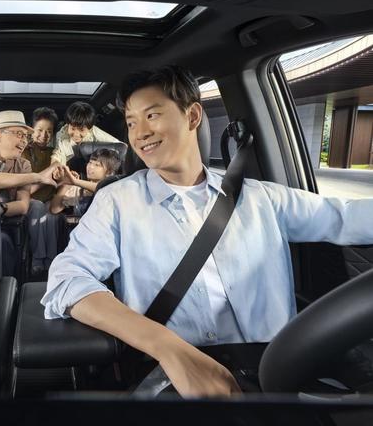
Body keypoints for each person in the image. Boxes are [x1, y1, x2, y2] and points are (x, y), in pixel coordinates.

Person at [42, 65, 373, 398]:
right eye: (131, 122)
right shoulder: (117, 200)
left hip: (278, 375)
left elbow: (345, 217)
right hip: (171, 379)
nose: (139, 133)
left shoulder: (261, 197)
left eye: (152, 115)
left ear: (192, 116)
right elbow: (67, 279)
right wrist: (168, 348)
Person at [0, 111, 58, 277]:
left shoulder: (23, 164)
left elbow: (23, 205)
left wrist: (0, 209)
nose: (24, 141)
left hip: (5, 218)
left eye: (26, 136)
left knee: (34, 208)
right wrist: (35, 177)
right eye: (19, 134)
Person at [49, 148, 121, 216]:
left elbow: (101, 188)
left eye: (97, 165)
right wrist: (66, 186)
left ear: (109, 172)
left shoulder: (113, 188)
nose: (90, 167)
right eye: (90, 162)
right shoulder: (78, 189)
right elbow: (54, 210)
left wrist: (75, 181)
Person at [51, 101, 121, 167]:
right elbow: (58, 155)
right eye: (73, 129)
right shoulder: (62, 135)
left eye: (81, 130)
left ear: (89, 129)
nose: (76, 134)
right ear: (68, 124)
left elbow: (119, 145)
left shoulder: (94, 131)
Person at [22, 107, 58, 203]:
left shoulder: (56, 154)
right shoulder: (23, 152)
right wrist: (47, 177)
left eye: (49, 131)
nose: (44, 135)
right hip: (28, 202)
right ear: (31, 130)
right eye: (40, 130)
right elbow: (25, 190)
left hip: (50, 202)